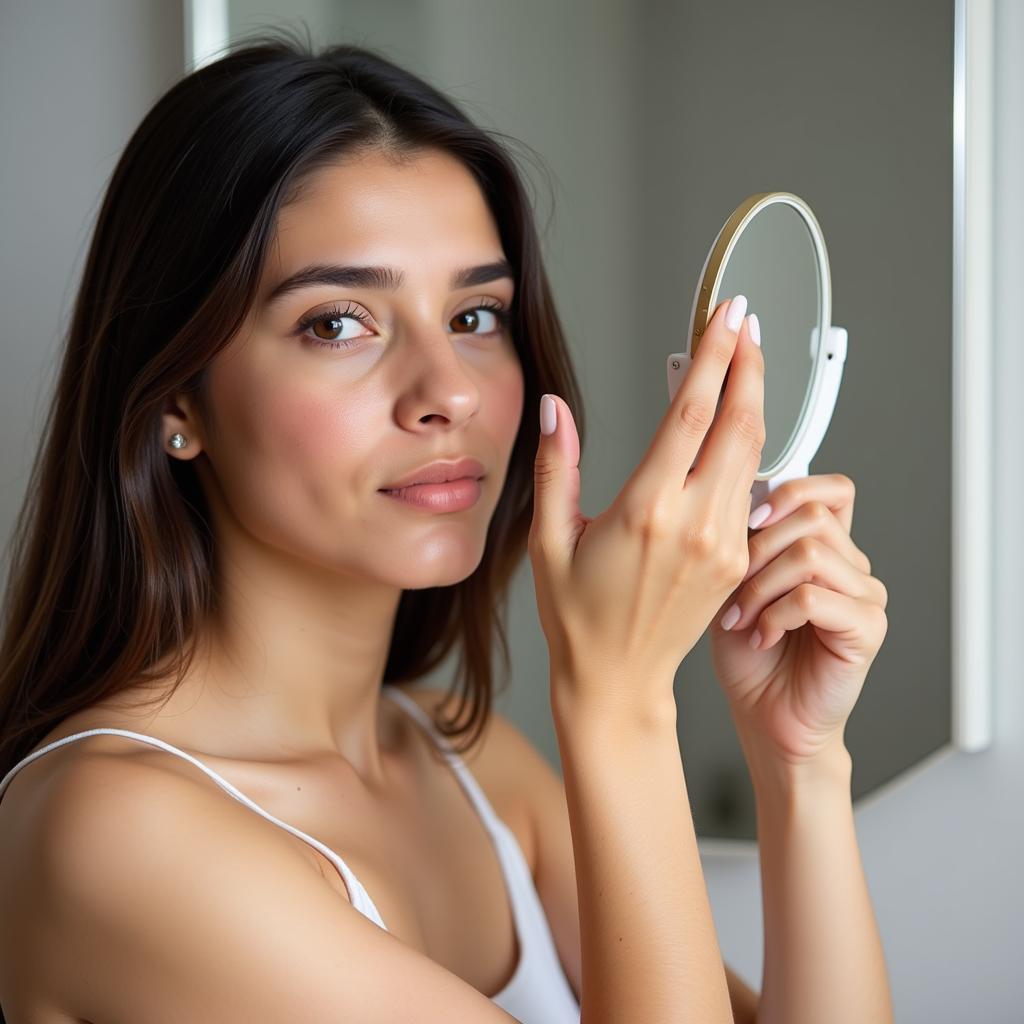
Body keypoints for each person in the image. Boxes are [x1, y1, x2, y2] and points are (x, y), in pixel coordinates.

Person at [0, 29, 893, 1024]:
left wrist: (798, 762)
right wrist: (618, 701)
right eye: (338, 322)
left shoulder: (471, 762)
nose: (448, 394)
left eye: (475, 316)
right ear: (177, 402)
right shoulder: (115, 836)